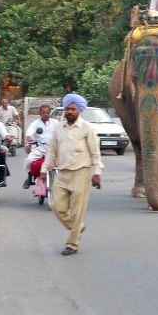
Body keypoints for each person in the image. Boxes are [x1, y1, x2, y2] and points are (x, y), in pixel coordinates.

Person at [40, 94, 103, 256]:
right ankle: (78, 227)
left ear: (79, 111)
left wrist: (97, 173)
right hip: (62, 174)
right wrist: (44, 169)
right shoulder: (58, 129)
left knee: (77, 211)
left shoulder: (87, 128)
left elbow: (95, 153)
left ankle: (72, 243)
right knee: (56, 206)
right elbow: (51, 151)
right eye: (68, 108)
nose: (70, 111)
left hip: (81, 173)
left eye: (73, 109)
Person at [22, 104, 59, 189]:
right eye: (43, 113)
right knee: (30, 160)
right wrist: (29, 137)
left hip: (53, 149)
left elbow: (62, 132)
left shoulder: (55, 123)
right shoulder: (36, 123)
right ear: (40, 113)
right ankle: (29, 176)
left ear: (50, 113)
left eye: (47, 112)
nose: (46, 114)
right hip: (40, 148)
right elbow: (29, 133)